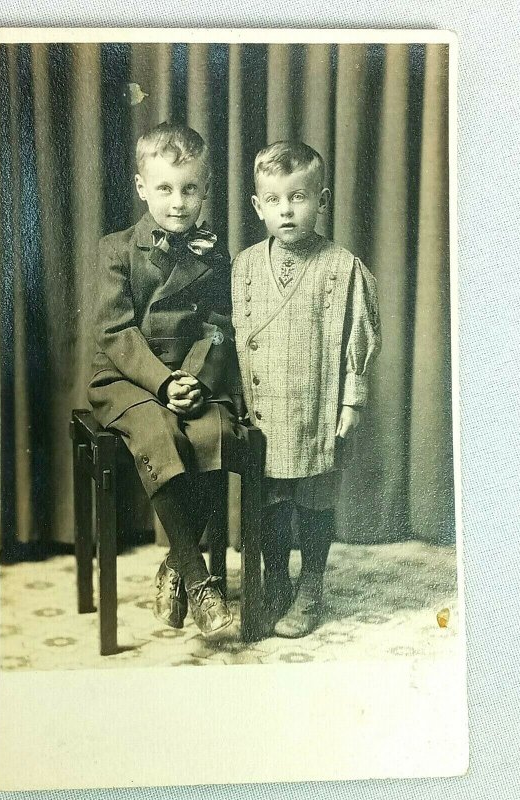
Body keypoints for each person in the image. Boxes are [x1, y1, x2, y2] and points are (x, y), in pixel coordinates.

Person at [88, 122, 245, 638]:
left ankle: (173, 565)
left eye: (190, 188)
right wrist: (162, 382)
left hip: (195, 375)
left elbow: (218, 324)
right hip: (130, 380)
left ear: (204, 188)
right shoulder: (115, 250)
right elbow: (116, 333)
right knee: (159, 434)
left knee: (214, 433)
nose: (178, 202)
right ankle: (200, 581)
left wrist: (193, 379)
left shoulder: (214, 251)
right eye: (165, 188)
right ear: (141, 188)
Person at [232, 141, 382, 638]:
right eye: (274, 200)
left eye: (298, 197)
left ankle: (311, 583)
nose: (287, 209)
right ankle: (276, 577)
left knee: (314, 497)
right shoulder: (246, 267)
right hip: (265, 408)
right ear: (258, 206)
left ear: (322, 199)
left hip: (317, 406)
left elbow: (359, 338)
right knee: (271, 497)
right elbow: (235, 336)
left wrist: (351, 400)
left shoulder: (343, 267)